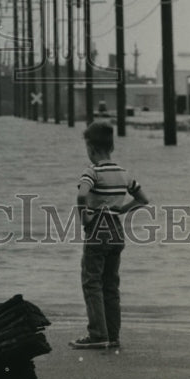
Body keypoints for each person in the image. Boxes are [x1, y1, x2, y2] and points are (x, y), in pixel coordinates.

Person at [69, 120, 149, 350]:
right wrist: (122, 210)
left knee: (91, 281)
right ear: (111, 147)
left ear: (91, 148)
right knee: (111, 284)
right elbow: (144, 199)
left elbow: (82, 195)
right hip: (116, 228)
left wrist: (85, 217)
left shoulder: (92, 172)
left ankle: (97, 334)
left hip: (98, 229)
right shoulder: (124, 173)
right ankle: (112, 335)